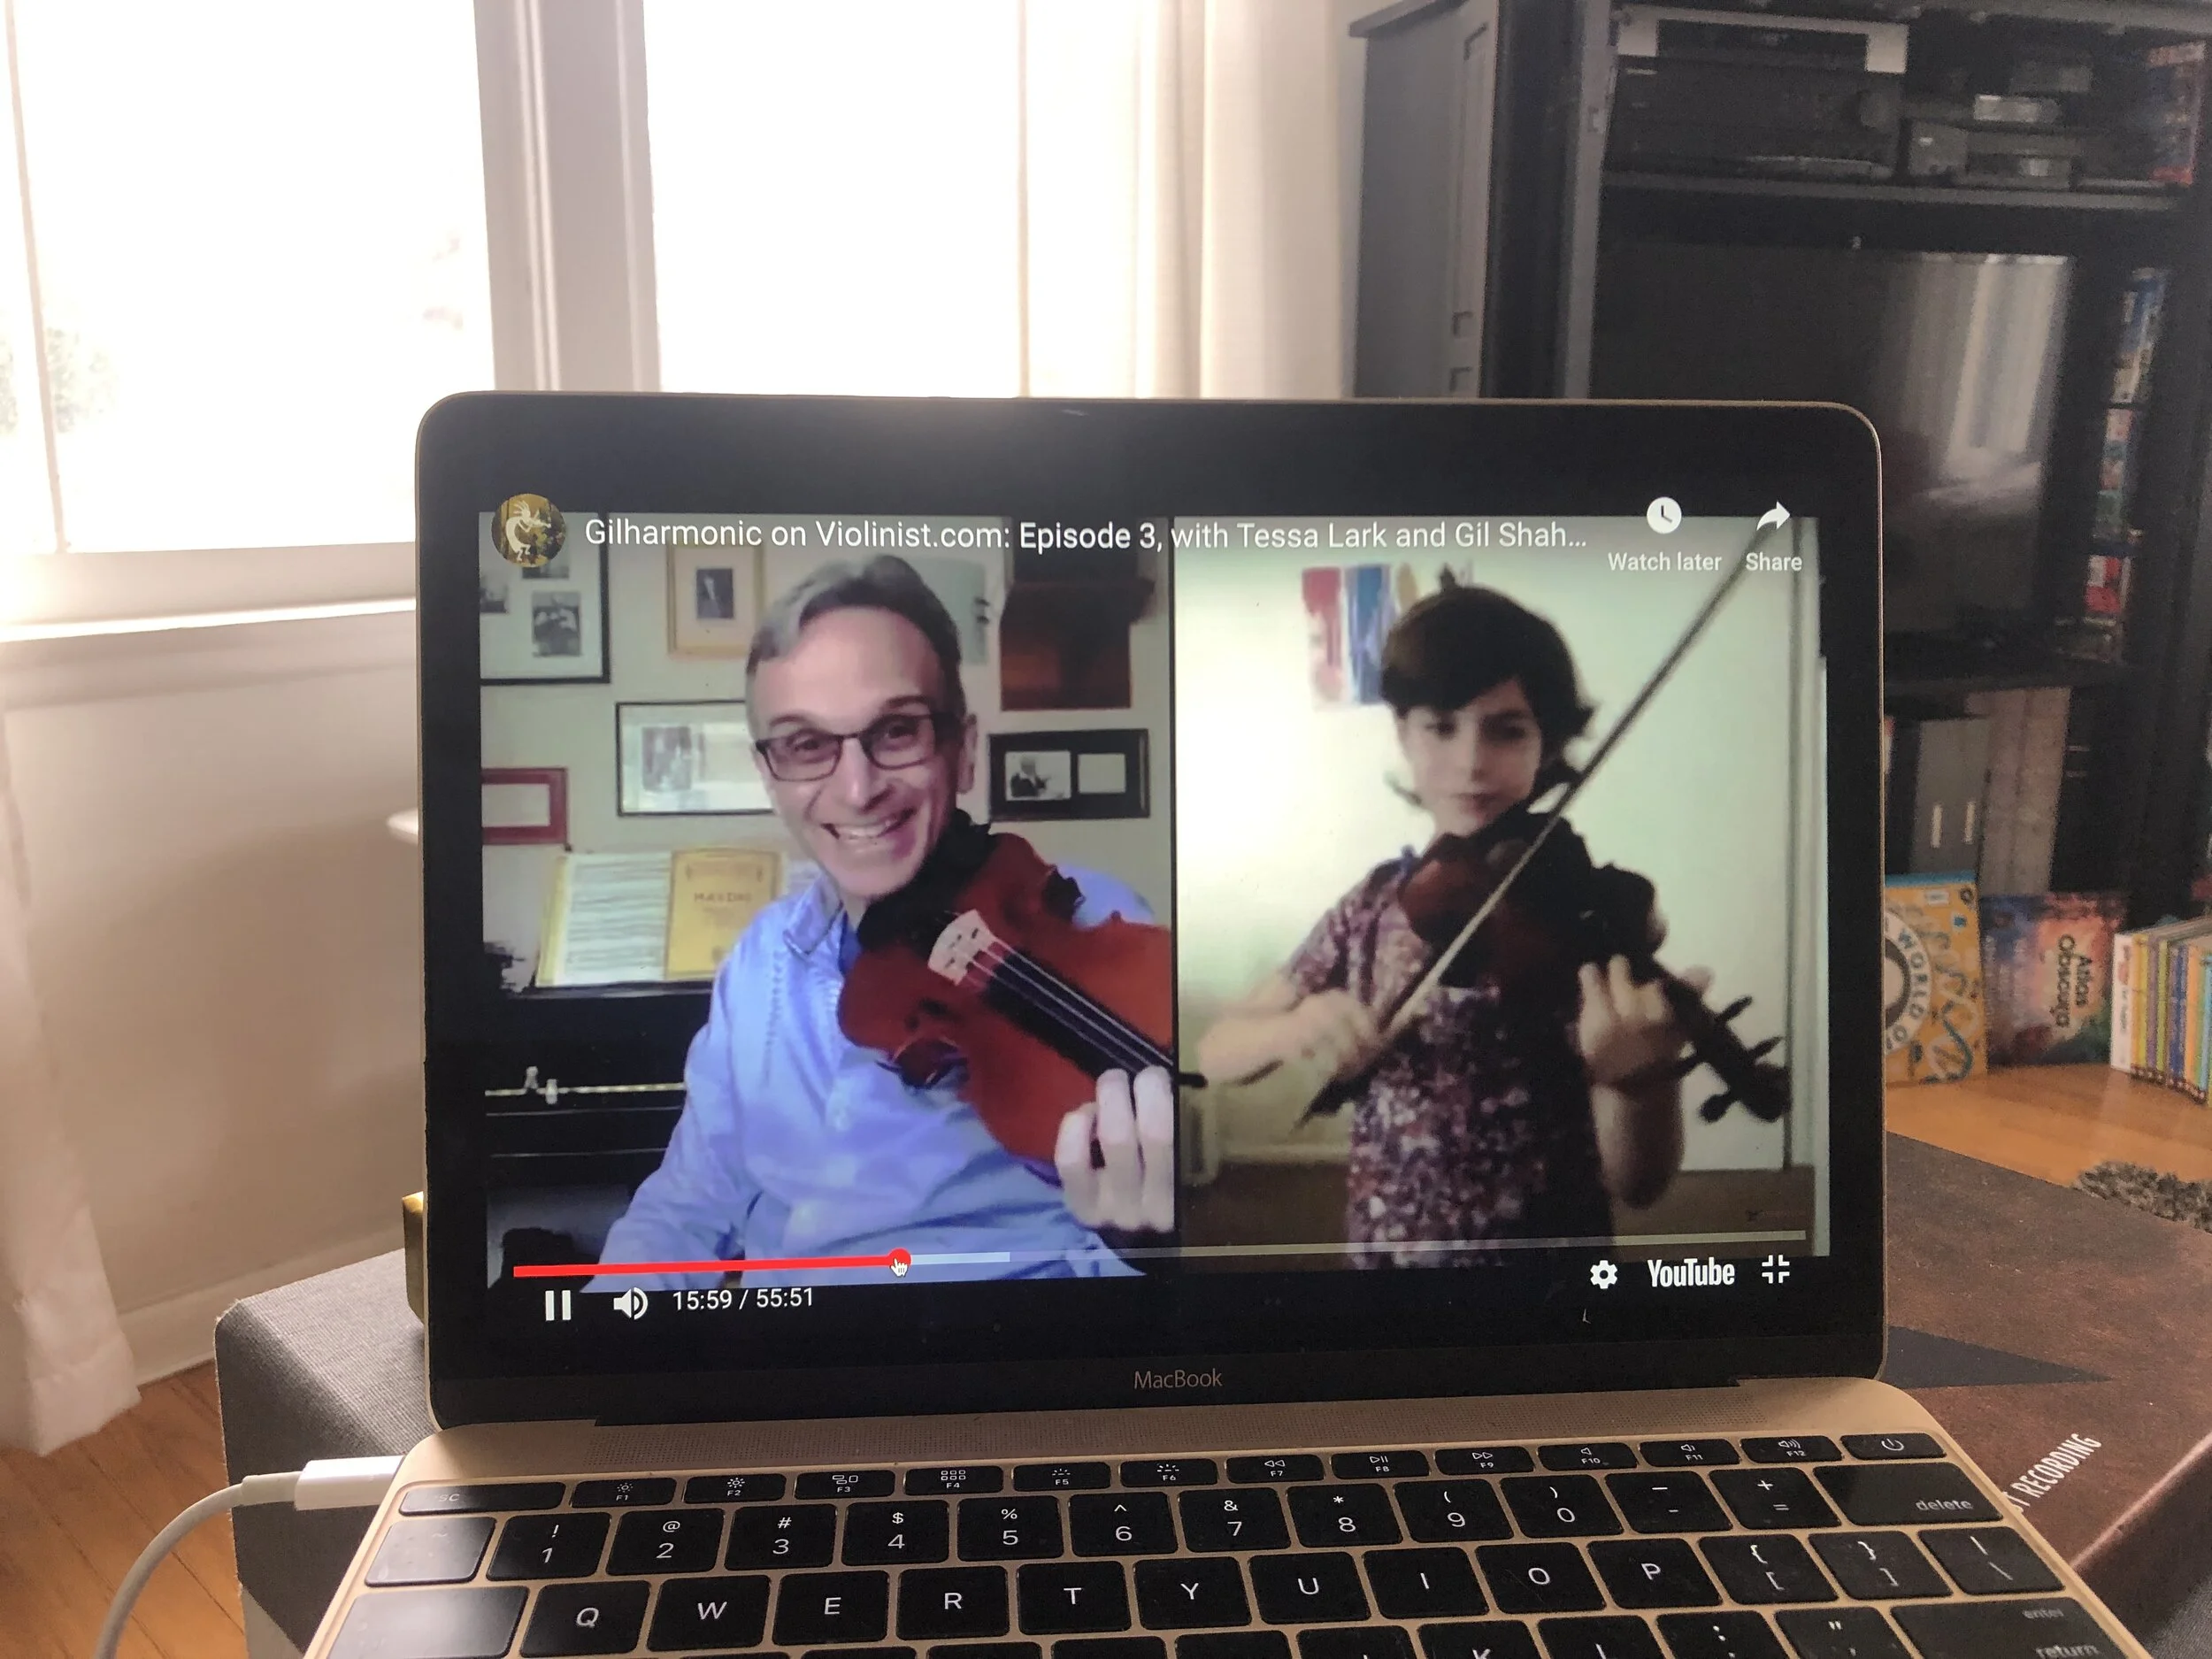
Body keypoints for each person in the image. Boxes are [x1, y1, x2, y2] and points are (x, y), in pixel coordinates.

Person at [593, 556, 1173, 1288]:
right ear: (770, 777)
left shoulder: (1093, 924)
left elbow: (1140, 1266)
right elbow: (684, 1208)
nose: (859, 788)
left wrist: (1140, 1246)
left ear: (962, 750)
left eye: (897, 730)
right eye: (807, 744)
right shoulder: (758, 961)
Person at [1195, 580, 1702, 1265]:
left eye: (1507, 729)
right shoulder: (1372, 905)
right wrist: (1290, 1028)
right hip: (1391, 1256)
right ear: (1403, 733)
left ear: (1547, 743)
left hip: (1550, 1265)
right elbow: (1216, 1053)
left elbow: (1640, 1184)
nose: (1471, 761)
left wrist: (1636, 1082)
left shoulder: (1585, 917)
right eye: (1441, 725)